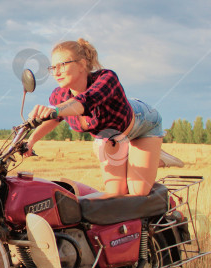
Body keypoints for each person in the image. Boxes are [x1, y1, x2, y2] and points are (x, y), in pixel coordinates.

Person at [27, 38, 165, 197]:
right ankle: (142, 156)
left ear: (82, 64)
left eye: (62, 65)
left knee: (137, 193)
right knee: (116, 194)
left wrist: (55, 110)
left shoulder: (106, 79)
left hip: (143, 124)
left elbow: (85, 102)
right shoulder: (59, 96)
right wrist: (31, 141)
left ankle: (154, 155)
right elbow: (54, 119)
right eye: (53, 67)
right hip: (111, 136)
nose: (56, 72)